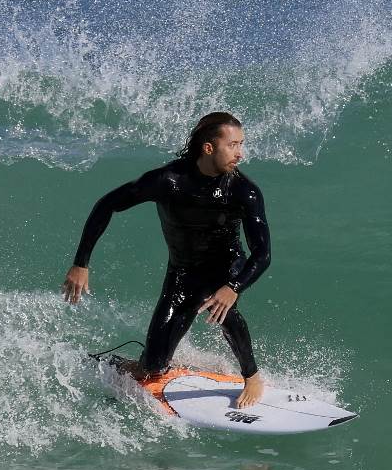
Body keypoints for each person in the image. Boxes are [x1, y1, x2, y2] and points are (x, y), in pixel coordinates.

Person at [62, 112, 271, 408]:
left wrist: (234, 287)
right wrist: (81, 263)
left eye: (241, 144)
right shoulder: (168, 181)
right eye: (233, 145)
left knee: (220, 302)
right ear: (208, 148)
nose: (240, 153)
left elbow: (262, 254)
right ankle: (134, 364)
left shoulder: (243, 191)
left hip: (226, 268)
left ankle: (252, 377)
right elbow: (107, 205)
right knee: (153, 367)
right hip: (183, 273)